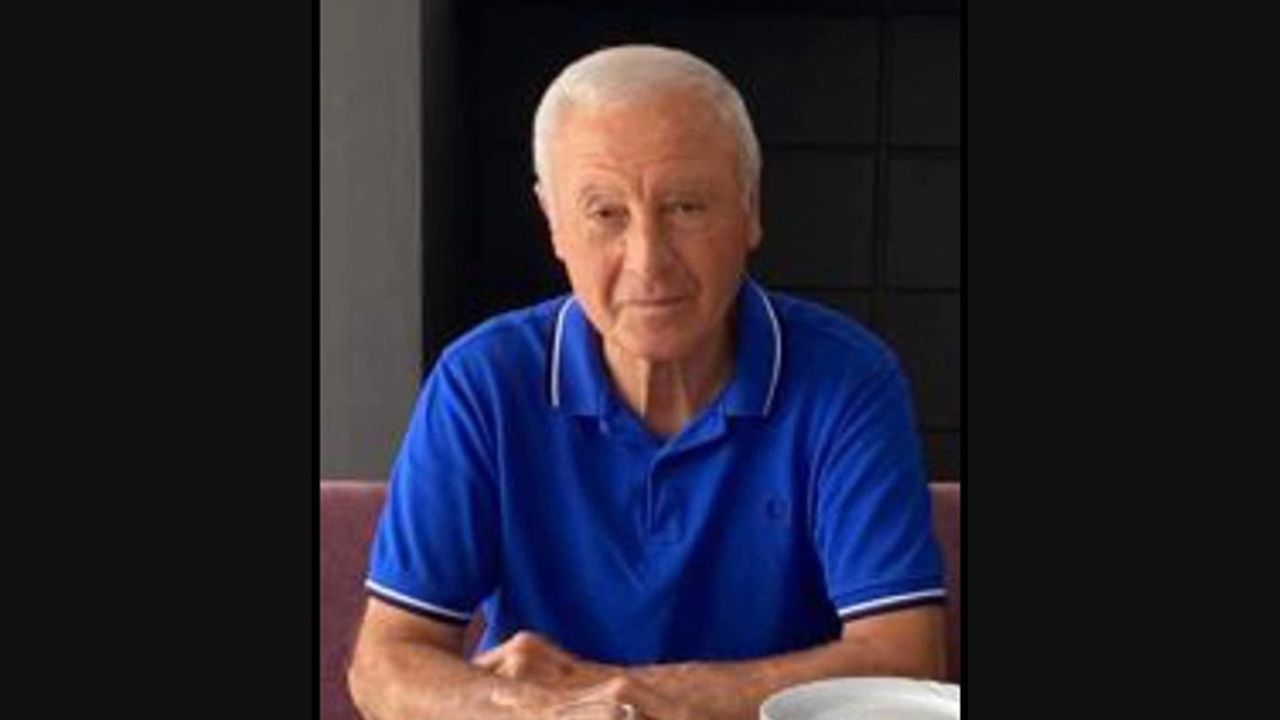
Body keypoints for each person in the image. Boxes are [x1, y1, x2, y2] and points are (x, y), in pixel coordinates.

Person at [347, 44, 947, 720]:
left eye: (686, 207)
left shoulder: (849, 379)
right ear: (554, 224)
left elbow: (907, 658)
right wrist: (543, 711)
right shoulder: (482, 381)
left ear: (749, 209)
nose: (648, 262)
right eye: (606, 213)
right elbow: (385, 665)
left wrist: (628, 696)